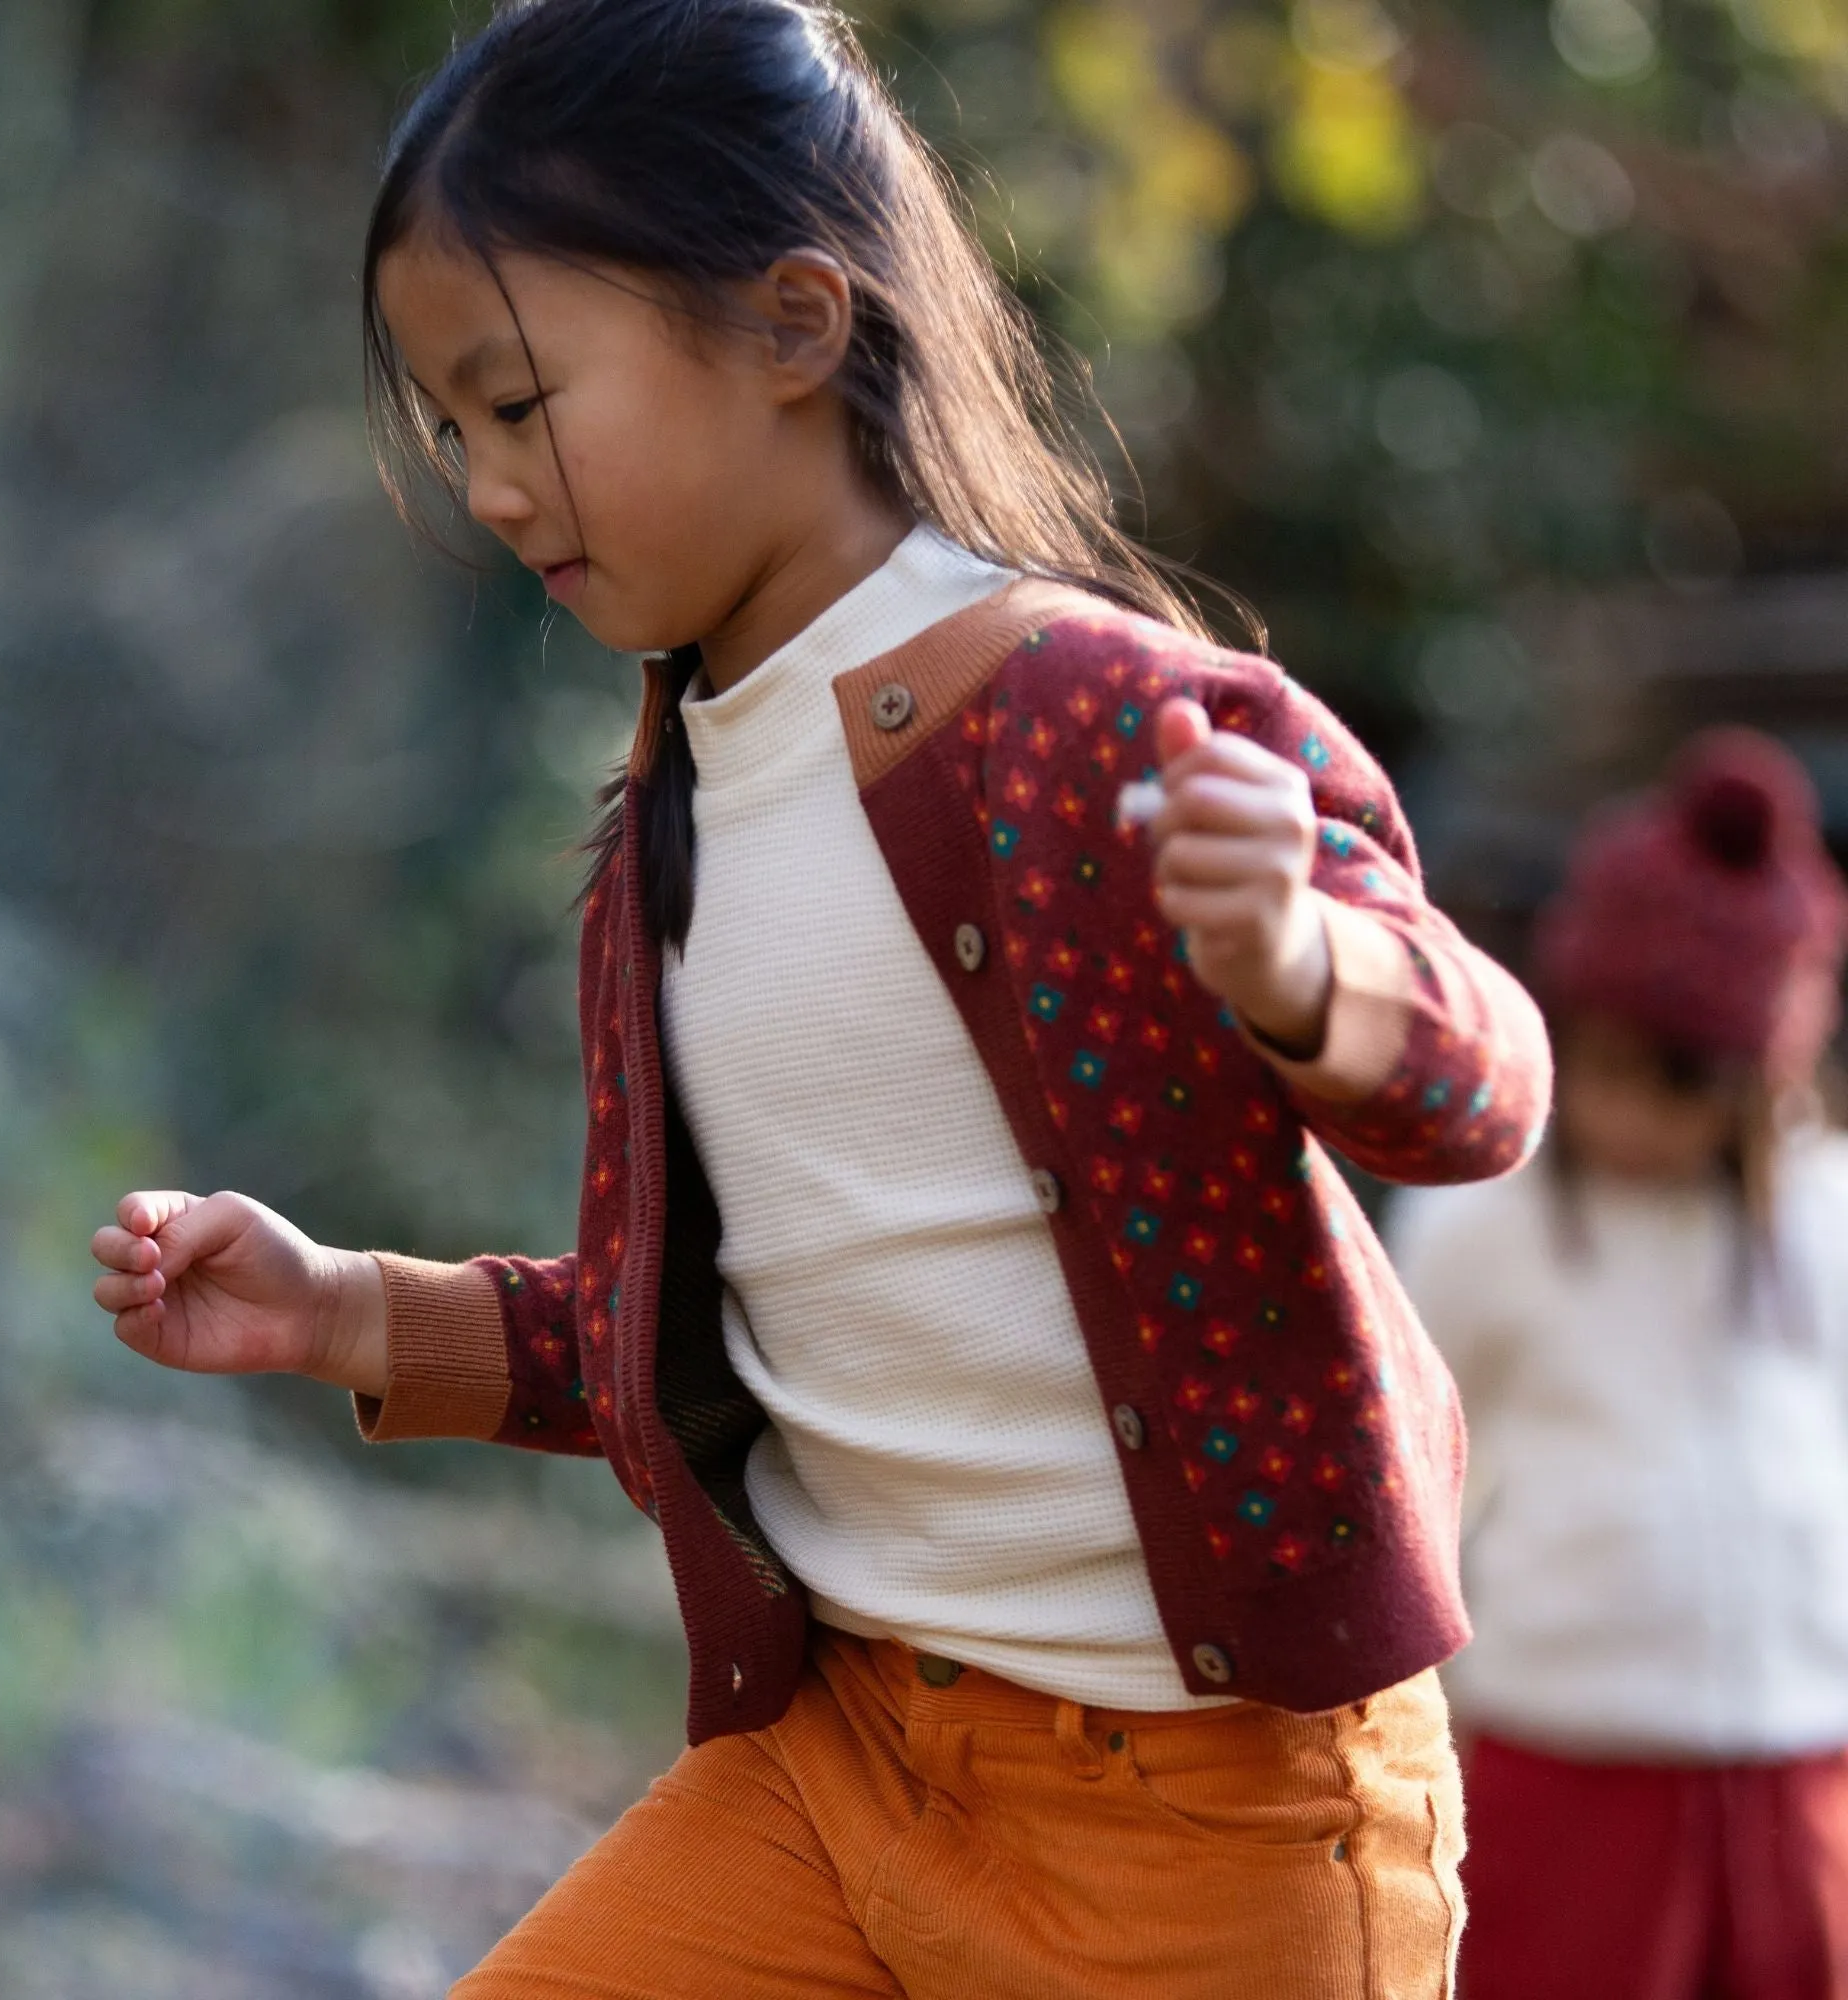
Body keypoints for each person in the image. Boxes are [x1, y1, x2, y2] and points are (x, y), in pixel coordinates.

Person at [89, 3, 1550, 1992]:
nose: (489, 488)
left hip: (1215, 1829)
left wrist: (1299, 973)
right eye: (452, 432)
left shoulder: (1103, 722)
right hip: (841, 1770)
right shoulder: (675, 815)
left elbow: (1479, 1088)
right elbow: (722, 1344)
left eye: (519, 403)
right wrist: (355, 1309)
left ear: (792, 323)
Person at [1389, 729, 1848, 2000]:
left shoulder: (1823, 1220)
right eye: (1604, 1067)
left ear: (1761, 1077)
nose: (1629, 1115)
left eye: (1679, 1083)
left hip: (1799, 1753)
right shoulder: (1479, 1220)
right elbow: (1413, 1475)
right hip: (1562, 1752)